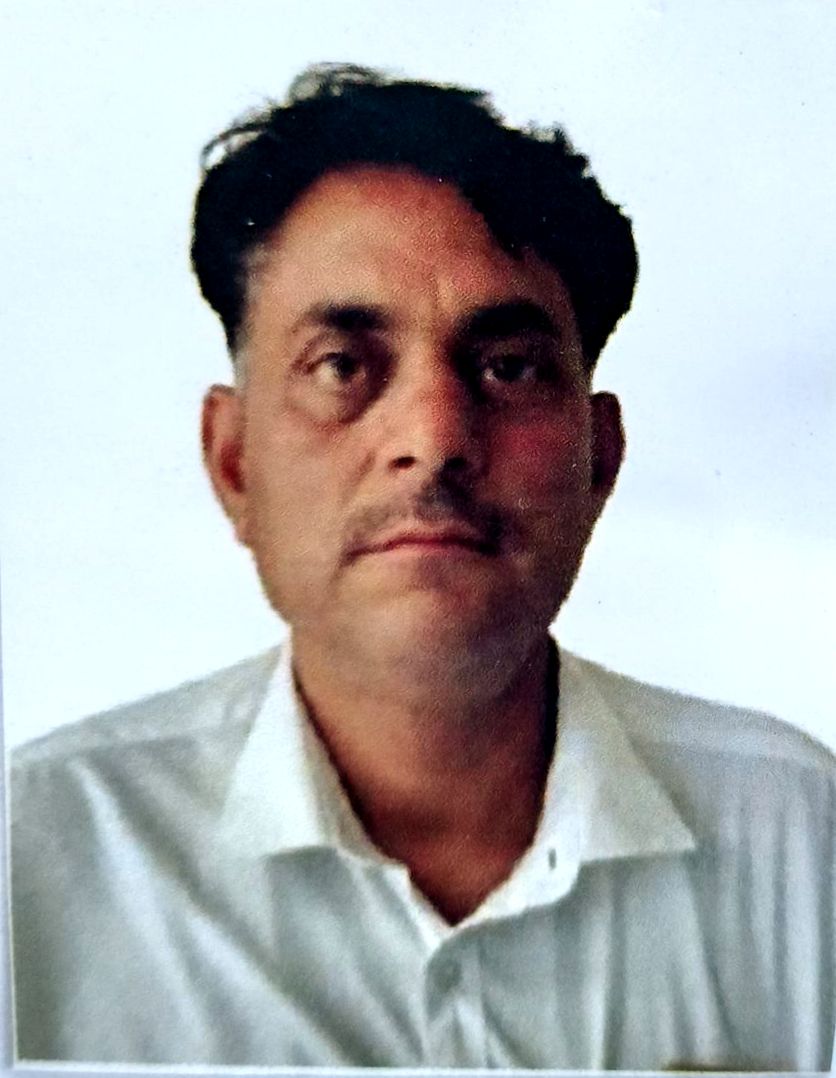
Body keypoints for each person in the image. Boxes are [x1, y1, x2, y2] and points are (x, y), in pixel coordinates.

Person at [10, 64, 835, 1070]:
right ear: (233, 464)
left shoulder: (802, 847)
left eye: (508, 367)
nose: (434, 438)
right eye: (342, 367)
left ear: (599, 461)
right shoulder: (36, 862)